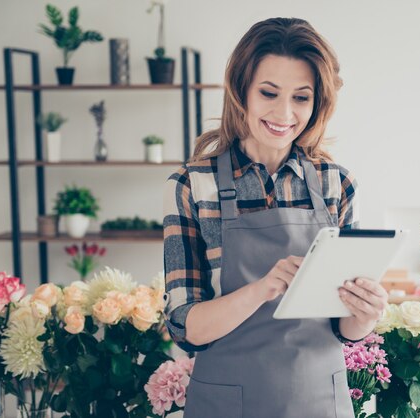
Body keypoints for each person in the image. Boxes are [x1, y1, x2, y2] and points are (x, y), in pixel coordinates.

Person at [163, 17, 388, 418]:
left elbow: (343, 329)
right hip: (228, 404)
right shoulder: (192, 186)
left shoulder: (337, 185)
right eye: (269, 93)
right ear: (241, 92)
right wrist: (262, 289)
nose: (284, 113)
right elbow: (186, 328)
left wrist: (365, 315)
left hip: (321, 402)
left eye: (301, 98)